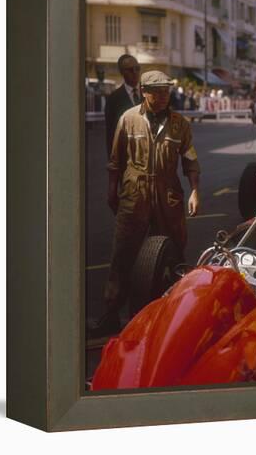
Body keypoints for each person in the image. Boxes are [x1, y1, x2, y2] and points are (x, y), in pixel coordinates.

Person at [91, 70, 201, 337]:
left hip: (168, 194)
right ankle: (110, 316)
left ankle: (172, 315)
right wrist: (111, 190)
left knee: (173, 253)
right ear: (144, 92)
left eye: (167, 91)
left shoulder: (180, 125)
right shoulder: (128, 120)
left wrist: (195, 191)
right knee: (123, 254)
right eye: (158, 91)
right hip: (135, 192)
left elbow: (190, 161)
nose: (164, 96)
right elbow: (116, 160)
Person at [104, 54, 141, 157]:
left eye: (137, 68)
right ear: (122, 72)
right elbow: (111, 134)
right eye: (130, 70)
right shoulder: (113, 99)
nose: (135, 73)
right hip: (127, 158)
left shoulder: (149, 93)